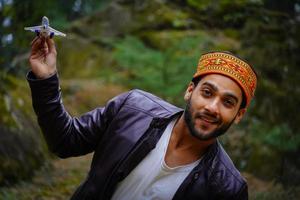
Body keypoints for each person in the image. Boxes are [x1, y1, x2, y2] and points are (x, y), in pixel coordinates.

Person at [27, 36, 257, 200]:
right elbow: (65, 141)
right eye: (207, 92)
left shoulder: (228, 190)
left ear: (239, 115)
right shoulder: (133, 109)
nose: (213, 107)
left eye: (228, 102)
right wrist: (46, 80)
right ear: (190, 91)